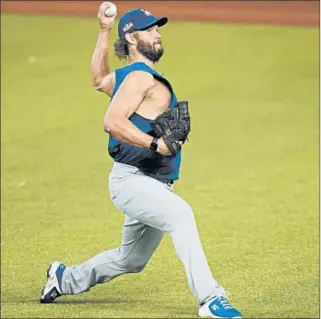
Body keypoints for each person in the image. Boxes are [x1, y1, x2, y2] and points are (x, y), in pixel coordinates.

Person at [39, 2, 242, 318]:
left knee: (130, 259)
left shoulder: (128, 77)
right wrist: (154, 142)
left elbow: (98, 79)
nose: (157, 34)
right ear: (132, 38)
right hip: (133, 180)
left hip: (151, 182)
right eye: (150, 30)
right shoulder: (139, 78)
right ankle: (210, 299)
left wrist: (104, 32)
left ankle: (65, 278)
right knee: (182, 216)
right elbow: (113, 121)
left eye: (157, 28)